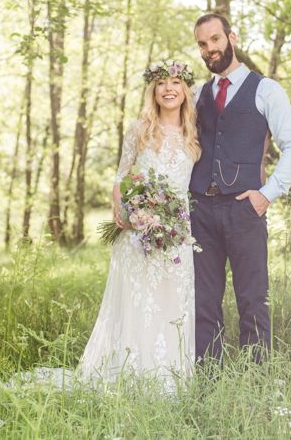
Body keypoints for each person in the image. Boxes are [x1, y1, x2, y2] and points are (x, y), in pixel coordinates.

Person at [77, 60, 201, 388]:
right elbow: (121, 177)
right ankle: (130, 377)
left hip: (177, 236)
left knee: (172, 305)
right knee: (138, 305)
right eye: (161, 83)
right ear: (153, 90)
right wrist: (123, 210)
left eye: (175, 83)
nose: (169, 89)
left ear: (186, 90)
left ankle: (170, 381)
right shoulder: (139, 129)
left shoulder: (194, 133)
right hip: (137, 234)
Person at [189, 13, 291, 365]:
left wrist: (266, 194)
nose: (210, 49)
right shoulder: (196, 94)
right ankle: (208, 380)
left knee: (253, 299)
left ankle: (255, 381)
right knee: (203, 301)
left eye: (215, 39)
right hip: (200, 212)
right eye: (202, 44)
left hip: (244, 210)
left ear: (231, 37)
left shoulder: (267, 90)